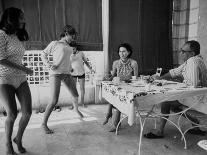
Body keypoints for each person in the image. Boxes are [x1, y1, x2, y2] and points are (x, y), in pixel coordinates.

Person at [144, 40, 207, 139]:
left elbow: (192, 85)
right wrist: (159, 78)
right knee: (174, 104)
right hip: (198, 97)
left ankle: (159, 131)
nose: (180, 53)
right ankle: (196, 126)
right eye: (181, 50)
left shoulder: (192, 61)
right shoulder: (194, 60)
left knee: (166, 100)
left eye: (183, 51)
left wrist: (176, 82)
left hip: (197, 98)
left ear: (192, 53)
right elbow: (175, 72)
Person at [0, 7, 33, 155]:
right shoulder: (1, 34)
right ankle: (8, 144)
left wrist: (23, 68)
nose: (23, 21)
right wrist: (24, 69)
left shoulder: (18, 36)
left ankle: (18, 139)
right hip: (5, 79)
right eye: (20, 17)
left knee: (27, 113)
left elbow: (16, 58)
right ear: (11, 18)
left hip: (21, 78)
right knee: (12, 114)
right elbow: (1, 59)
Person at [41, 25, 83, 134]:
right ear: (66, 33)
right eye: (71, 36)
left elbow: (66, 59)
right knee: (54, 100)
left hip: (66, 73)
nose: (73, 38)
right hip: (55, 74)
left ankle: (76, 109)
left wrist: (70, 68)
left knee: (75, 95)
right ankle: (44, 124)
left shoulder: (69, 46)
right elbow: (43, 54)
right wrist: (49, 65)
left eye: (74, 36)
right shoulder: (55, 43)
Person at [102, 43, 138, 132]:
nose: (122, 53)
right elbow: (113, 76)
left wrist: (128, 83)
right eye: (120, 51)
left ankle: (112, 119)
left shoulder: (133, 63)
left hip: (129, 87)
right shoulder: (115, 63)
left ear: (129, 52)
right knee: (113, 94)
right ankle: (111, 116)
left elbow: (136, 78)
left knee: (117, 98)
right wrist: (107, 78)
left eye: (124, 51)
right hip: (118, 85)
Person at [70, 41, 94, 108]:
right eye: (71, 49)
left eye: (73, 49)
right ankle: (73, 105)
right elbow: (67, 64)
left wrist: (90, 69)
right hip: (73, 74)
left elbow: (86, 62)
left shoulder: (81, 53)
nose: (72, 50)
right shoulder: (69, 54)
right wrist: (69, 69)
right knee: (73, 90)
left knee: (82, 89)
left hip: (81, 73)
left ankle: (82, 103)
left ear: (76, 48)